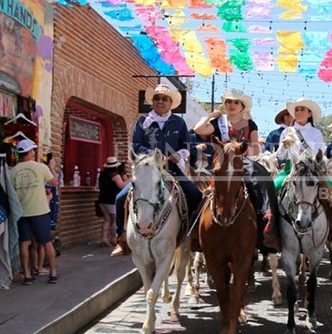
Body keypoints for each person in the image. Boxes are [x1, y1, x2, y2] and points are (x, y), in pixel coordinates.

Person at [112, 84, 202, 257]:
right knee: (120, 198)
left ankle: (193, 234)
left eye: (164, 99)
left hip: (172, 170)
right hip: (147, 171)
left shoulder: (179, 122)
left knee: (196, 195)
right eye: (157, 98)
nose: (160, 101)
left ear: (170, 103)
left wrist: (179, 153)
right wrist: (155, 155)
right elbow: (136, 146)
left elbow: (187, 145)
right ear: (152, 102)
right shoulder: (142, 122)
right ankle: (122, 239)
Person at [193, 89, 279, 252]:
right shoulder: (218, 123)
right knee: (203, 191)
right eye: (229, 102)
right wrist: (211, 116)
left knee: (263, 182)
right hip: (222, 164)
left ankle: (267, 222)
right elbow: (198, 129)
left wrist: (239, 151)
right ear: (225, 104)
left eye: (236, 102)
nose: (232, 105)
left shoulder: (250, 124)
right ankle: (196, 231)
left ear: (241, 106)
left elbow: (255, 149)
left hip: (244, 162)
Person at [11, 138, 59, 284]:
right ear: (30, 152)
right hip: (40, 211)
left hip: (22, 212)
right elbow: (54, 183)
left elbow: (12, 192)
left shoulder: (12, 171)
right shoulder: (40, 167)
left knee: (24, 243)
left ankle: (27, 275)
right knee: (46, 242)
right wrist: (52, 168)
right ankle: (53, 272)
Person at [274, 97, 325, 191]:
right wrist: (284, 147)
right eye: (296, 110)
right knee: (273, 187)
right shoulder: (287, 131)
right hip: (290, 169)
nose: (298, 112)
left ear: (309, 114)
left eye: (302, 109)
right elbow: (281, 156)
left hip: (311, 170)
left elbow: (320, 154)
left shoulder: (316, 133)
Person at [98, 157, 127, 247]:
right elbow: (122, 186)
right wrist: (131, 180)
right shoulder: (115, 175)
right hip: (111, 200)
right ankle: (114, 239)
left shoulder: (102, 174)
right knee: (114, 221)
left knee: (106, 220)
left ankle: (103, 238)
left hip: (102, 199)